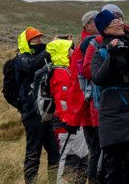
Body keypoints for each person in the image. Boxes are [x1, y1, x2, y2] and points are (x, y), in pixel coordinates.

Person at [81, 5, 129, 181]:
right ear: (105, 28)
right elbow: (97, 78)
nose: (120, 23)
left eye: (120, 20)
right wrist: (111, 55)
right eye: (115, 21)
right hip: (110, 115)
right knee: (114, 168)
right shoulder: (98, 52)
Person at [16, 27, 60, 183]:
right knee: (33, 153)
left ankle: (53, 181)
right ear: (27, 42)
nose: (39, 41)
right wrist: (49, 48)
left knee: (55, 152)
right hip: (32, 113)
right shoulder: (21, 59)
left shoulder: (44, 56)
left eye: (40, 38)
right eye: (36, 39)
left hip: (46, 112)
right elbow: (33, 65)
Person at [47, 37, 88, 183]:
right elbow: (62, 100)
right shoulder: (62, 73)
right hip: (67, 124)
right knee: (68, 160)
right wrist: (67, 120)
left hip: (74, 121)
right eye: (69, 48)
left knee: (81, 158)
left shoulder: (65, 69)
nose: (72, 51)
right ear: (62, 52)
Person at [71, 10, 101, 182]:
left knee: (98, 151)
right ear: (86, 26)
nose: (99, 22)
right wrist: (80, 114)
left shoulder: (96, 43)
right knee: (97, 150)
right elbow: (78, 85)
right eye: (95, 21)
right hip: (90, 112)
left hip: (95, 110)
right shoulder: (84, 48)